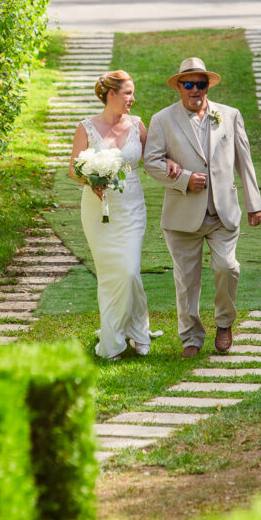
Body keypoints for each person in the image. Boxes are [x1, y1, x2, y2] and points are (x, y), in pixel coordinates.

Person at [144, 57, 261, 358]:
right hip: (183, 216)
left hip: (223, 212)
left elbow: (243, 160)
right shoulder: (163, 120)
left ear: (207, 86)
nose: (195, 89)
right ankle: (191, 338)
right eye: (189, 84)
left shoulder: (230, 115)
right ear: (179, 88)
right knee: (186, 280)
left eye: (201, 83)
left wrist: (254, 203)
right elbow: (151, 162)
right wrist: (184, 179)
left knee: (227, 267)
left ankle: (224, 322)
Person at [69, 70, 153, 361]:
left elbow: (154, 157)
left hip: (131, 206)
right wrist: (91, 180)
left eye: (133, 92)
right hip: (97, 211)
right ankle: (113, 340)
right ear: (111, 95)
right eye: (128, 92)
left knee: (129, 271)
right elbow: (74, 169)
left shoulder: (138, 125)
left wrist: (176, 169)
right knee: (110, 275)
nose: (132, 98)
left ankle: (138, 330)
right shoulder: (86, 128)